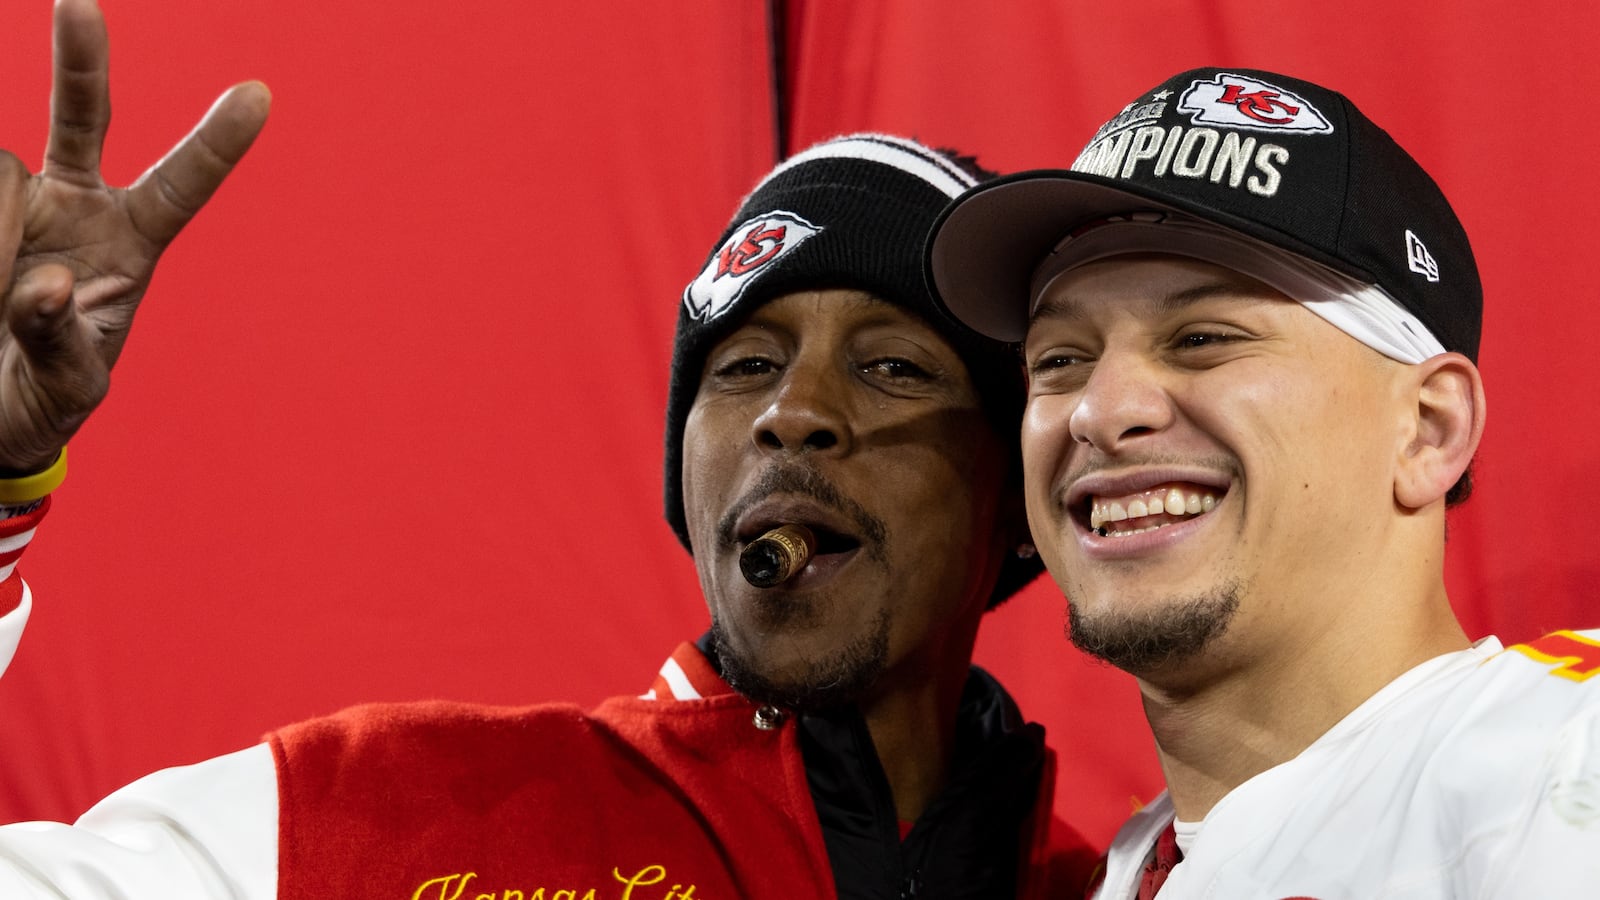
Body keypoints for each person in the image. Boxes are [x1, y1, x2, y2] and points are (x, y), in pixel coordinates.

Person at [0, 2, 1095, 896]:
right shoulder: (367, 825)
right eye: (742, 367)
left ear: (1017, 497)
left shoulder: (1138, 884)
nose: (792, 412)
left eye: (893, 367)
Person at [923, 66, 1600, 897]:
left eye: (1203, 338)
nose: (1101, 410)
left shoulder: (1566, 755)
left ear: (1429, 428)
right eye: (1060, 361)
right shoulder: (1124, 867)